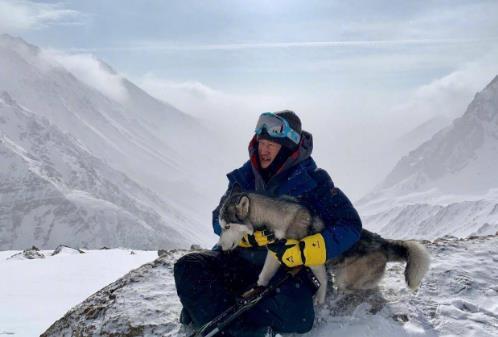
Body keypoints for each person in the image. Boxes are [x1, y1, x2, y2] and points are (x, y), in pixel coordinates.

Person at [174, 110, 362, 337]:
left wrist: (307, 250)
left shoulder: (314, 181)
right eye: (261, 142)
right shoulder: (244, 177)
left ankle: (211, 311)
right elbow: (218, 218)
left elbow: (350, 224)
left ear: (290, 147)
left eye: (272, 144)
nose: (264, 149)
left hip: (285, 271)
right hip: (239, 261)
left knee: (299, 317)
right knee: (187, 266)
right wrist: (245, 236)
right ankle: (244, 329)